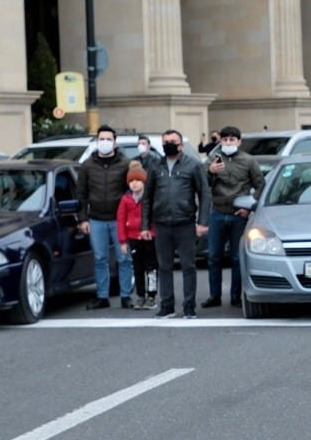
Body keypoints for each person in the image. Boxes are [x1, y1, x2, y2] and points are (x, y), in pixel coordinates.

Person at [141, 129, 211, 319]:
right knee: (164, 266)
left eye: (172, 141)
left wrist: (202, 222)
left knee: (188, 266)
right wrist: (145, 226)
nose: (168, 144)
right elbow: (147, 198)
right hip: (162, 223)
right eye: (165, 141)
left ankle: (189, 306)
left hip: (185, 223)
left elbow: (204, 194)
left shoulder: (193, 165)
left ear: (181, 144)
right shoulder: (155, 166)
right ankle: (167, 306)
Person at [203, 125, 264, 309]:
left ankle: (236, 296)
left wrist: (250, 208)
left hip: (239, 214)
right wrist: (210, 172)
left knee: (237, 258)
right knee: (214, 256)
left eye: (232, 140)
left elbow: (260, 185)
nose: (228, 143)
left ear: (239, 141)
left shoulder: (248, 161)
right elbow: (203, 184)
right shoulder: (213, 159)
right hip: (218, 212)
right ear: (220, 141)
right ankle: (215, 296)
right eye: (225, 139)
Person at [77, 124, 134, 309]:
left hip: (120, 220)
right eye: (101, 139)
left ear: (115, 142)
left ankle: (126, 296)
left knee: (123, 258)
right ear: (96, 141)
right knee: (100, 258)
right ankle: (102, 296)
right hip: (96, 219)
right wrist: (83, 219)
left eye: (108, 139)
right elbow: (81, 194)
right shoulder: (87, 165)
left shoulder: (125, 164)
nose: (105, 142)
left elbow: (133, 191)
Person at [117, 161, 158, 309]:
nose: (134, 184)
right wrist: (122, 241)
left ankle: (152, 295)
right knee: (138, 268)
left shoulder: (150, 198)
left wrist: (153, 232)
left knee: (151, 267)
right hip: (133, 238)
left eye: (138, 180)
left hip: (149, 237)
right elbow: (121, 219)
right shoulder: (126, 199)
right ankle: (140, 295)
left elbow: (155, 217)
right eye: (131, 181)